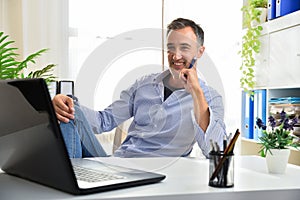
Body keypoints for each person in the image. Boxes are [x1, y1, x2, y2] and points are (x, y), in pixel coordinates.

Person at [52, 18, 226, 158]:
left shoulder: (210, 97)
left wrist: (196, 92)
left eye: (185, 48)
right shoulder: (144, 84)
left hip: (161, 176)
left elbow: (214, 152)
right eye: (171, 48)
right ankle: (71, 185)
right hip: (120, 164)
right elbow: (103, 121)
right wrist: (65, 104)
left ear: (199, 52)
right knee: (69, 114)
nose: (176, 56)